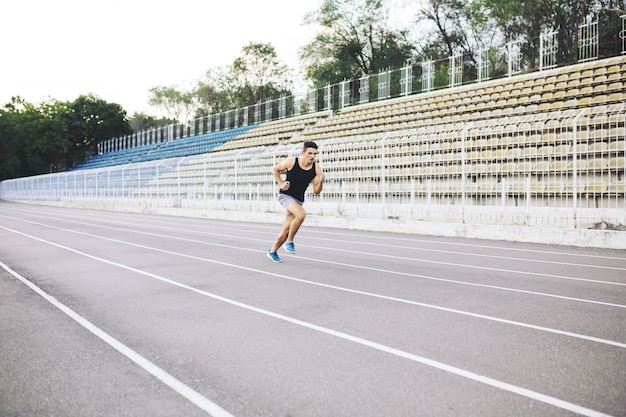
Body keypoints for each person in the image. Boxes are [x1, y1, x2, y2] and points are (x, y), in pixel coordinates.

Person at [267, 141, 325, 263]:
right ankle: (290, 241)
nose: (312, 156)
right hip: (286, 196)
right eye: (309, 153)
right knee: (302, 215)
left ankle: (272, 251)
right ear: (303, 153)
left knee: (286, 230)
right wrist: (281, 183)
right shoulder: (291, 161)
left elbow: (316, 191)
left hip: (298, 200)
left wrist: (321, 182)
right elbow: (275, 169)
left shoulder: (316, 169)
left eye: (315, 154)